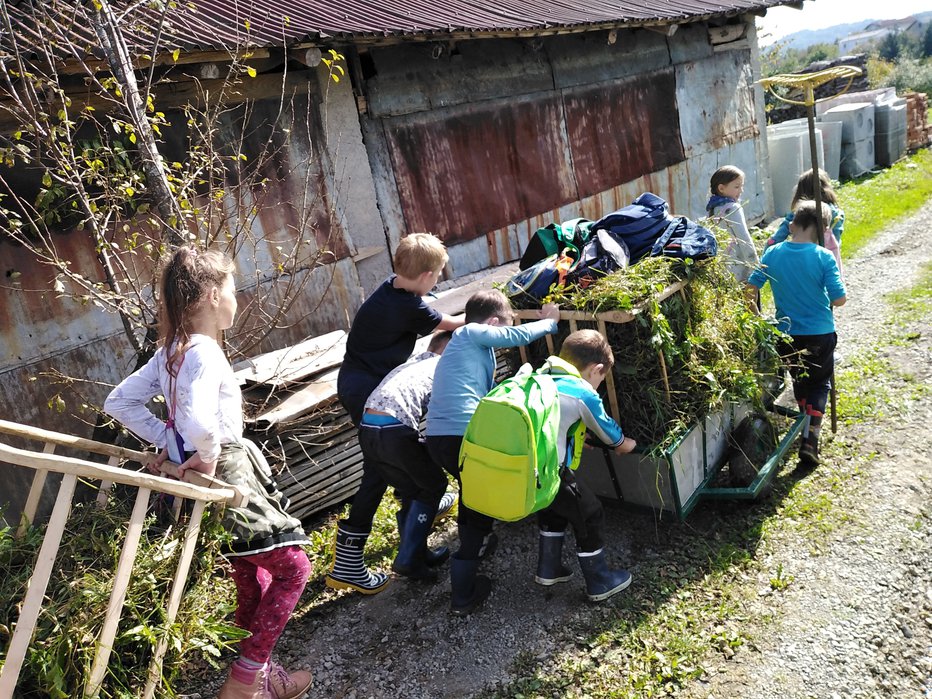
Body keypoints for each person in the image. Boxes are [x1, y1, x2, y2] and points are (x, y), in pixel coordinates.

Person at [105, 246, 312, 699]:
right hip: (226, 471)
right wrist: (208, 450)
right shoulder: (204, 351)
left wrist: (169, 443)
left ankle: (262, 678)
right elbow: (200, 422)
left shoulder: (168, 354)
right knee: (294, 567)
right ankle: (245, 679)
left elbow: (117, 403)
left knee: (250, 574)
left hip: (193, 474)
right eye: (234, 289)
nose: (238, 298)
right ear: (213, 295)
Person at [328, 233, 464, 595]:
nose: (437, 280)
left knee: (393, 454)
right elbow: (450, 325)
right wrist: (485, 326)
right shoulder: (409, 305)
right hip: (364, 389)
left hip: (358, 381)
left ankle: (416, 519)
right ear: (426, 276)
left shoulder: (392, 289)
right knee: (377, 467)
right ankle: (349, 560)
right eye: (437, 275)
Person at [425, 289, 560, 616]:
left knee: (474, 495)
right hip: (458, 437)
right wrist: (550, 322)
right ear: (495, 322)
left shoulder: (467, 351)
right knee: (477, 499)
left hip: (441, 439)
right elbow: (518, 334)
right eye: (504, 324)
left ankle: (477, 551)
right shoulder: (468, 332)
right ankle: (463, 592)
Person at [534, 330, 637, 602]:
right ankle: (599, 581)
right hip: (553, 471)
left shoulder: (540, 377)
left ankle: (549, 567)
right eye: (602, 378)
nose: (600, 384)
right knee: (590, 514)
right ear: (597, 369)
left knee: (554, 509)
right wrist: (628, 444)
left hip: (530, 471)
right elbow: (612, 437)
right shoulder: (582, 392)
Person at [746, 201, 847, 467]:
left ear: (792, 225)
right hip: (819, 333)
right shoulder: (823, 256)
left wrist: (757, 318)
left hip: (786, 335)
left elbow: (750, 288)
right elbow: (839, 300)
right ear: (821, 230)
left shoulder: (772, 253)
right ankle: (810, 439)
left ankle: (806, 426)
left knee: (800, 381)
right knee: (819, 383)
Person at [357, 331, 454, 582]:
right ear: (447, 350)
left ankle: (417, 553)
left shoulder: (411, 365)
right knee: (435, 485)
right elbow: (440, 418)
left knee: (414, 490)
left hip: (368, 431)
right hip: (394, 429)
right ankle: (408, 558)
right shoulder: (441, 367)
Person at [764, 168, 845, 277]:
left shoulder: (798, 212)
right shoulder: (836, 214)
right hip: (827, 262)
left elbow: (777, 237)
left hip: (801, 261)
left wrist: (767, 254)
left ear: (800, 191)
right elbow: (836, 242)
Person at [706, 165, 759, 283]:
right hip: (741, 268)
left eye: (742, 186)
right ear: (721, 188)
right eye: (737, 186)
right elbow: (744, 238)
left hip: (724, 269)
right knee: (750, 300)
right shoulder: (733, 208)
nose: (741, 190)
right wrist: (755, 266)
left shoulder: (712, 208)